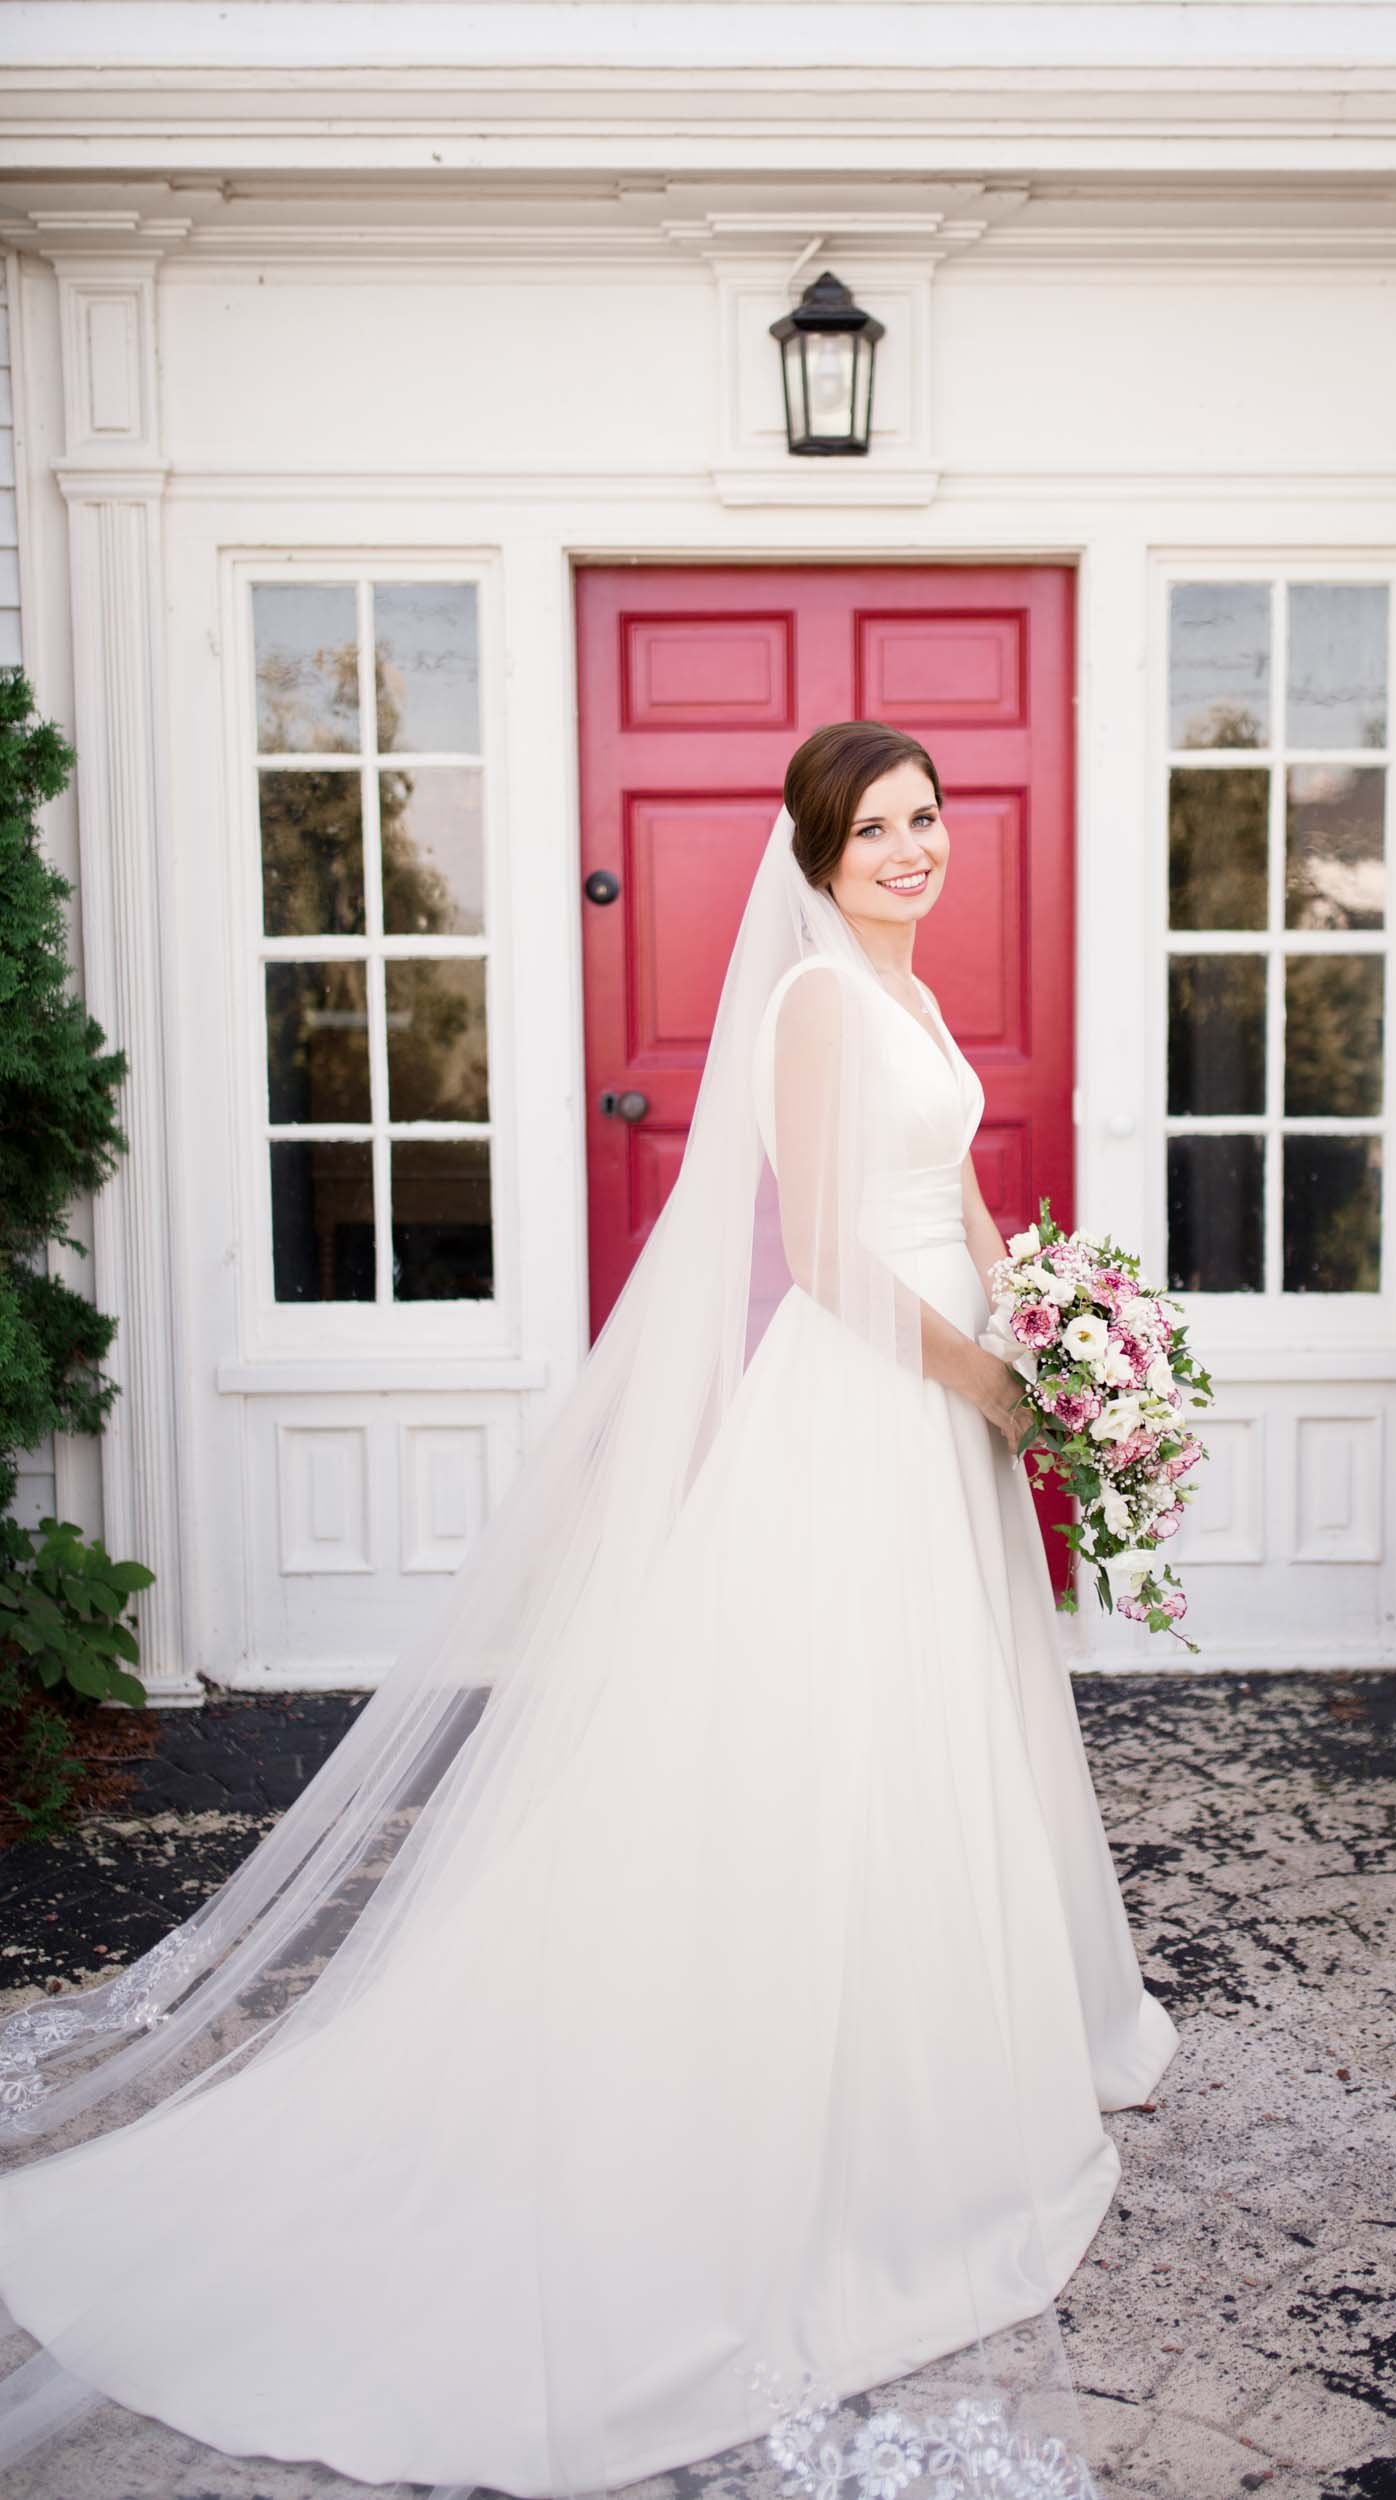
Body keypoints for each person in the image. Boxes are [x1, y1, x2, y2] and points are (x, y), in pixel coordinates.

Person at [0, 720, 1178, 2500]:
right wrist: (993, 1387)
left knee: (951, 1726)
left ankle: (968, 2050)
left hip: (955, 1401)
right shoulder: (810, 1010)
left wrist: (1062, 1340)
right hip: (870, 1404)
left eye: (929, 819)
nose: (914, 849)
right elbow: (840, 1263)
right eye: (877, 831)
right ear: (816, 851)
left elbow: (957, 1202)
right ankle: (810, 2095)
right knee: (827, 1738)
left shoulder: (915, 997)